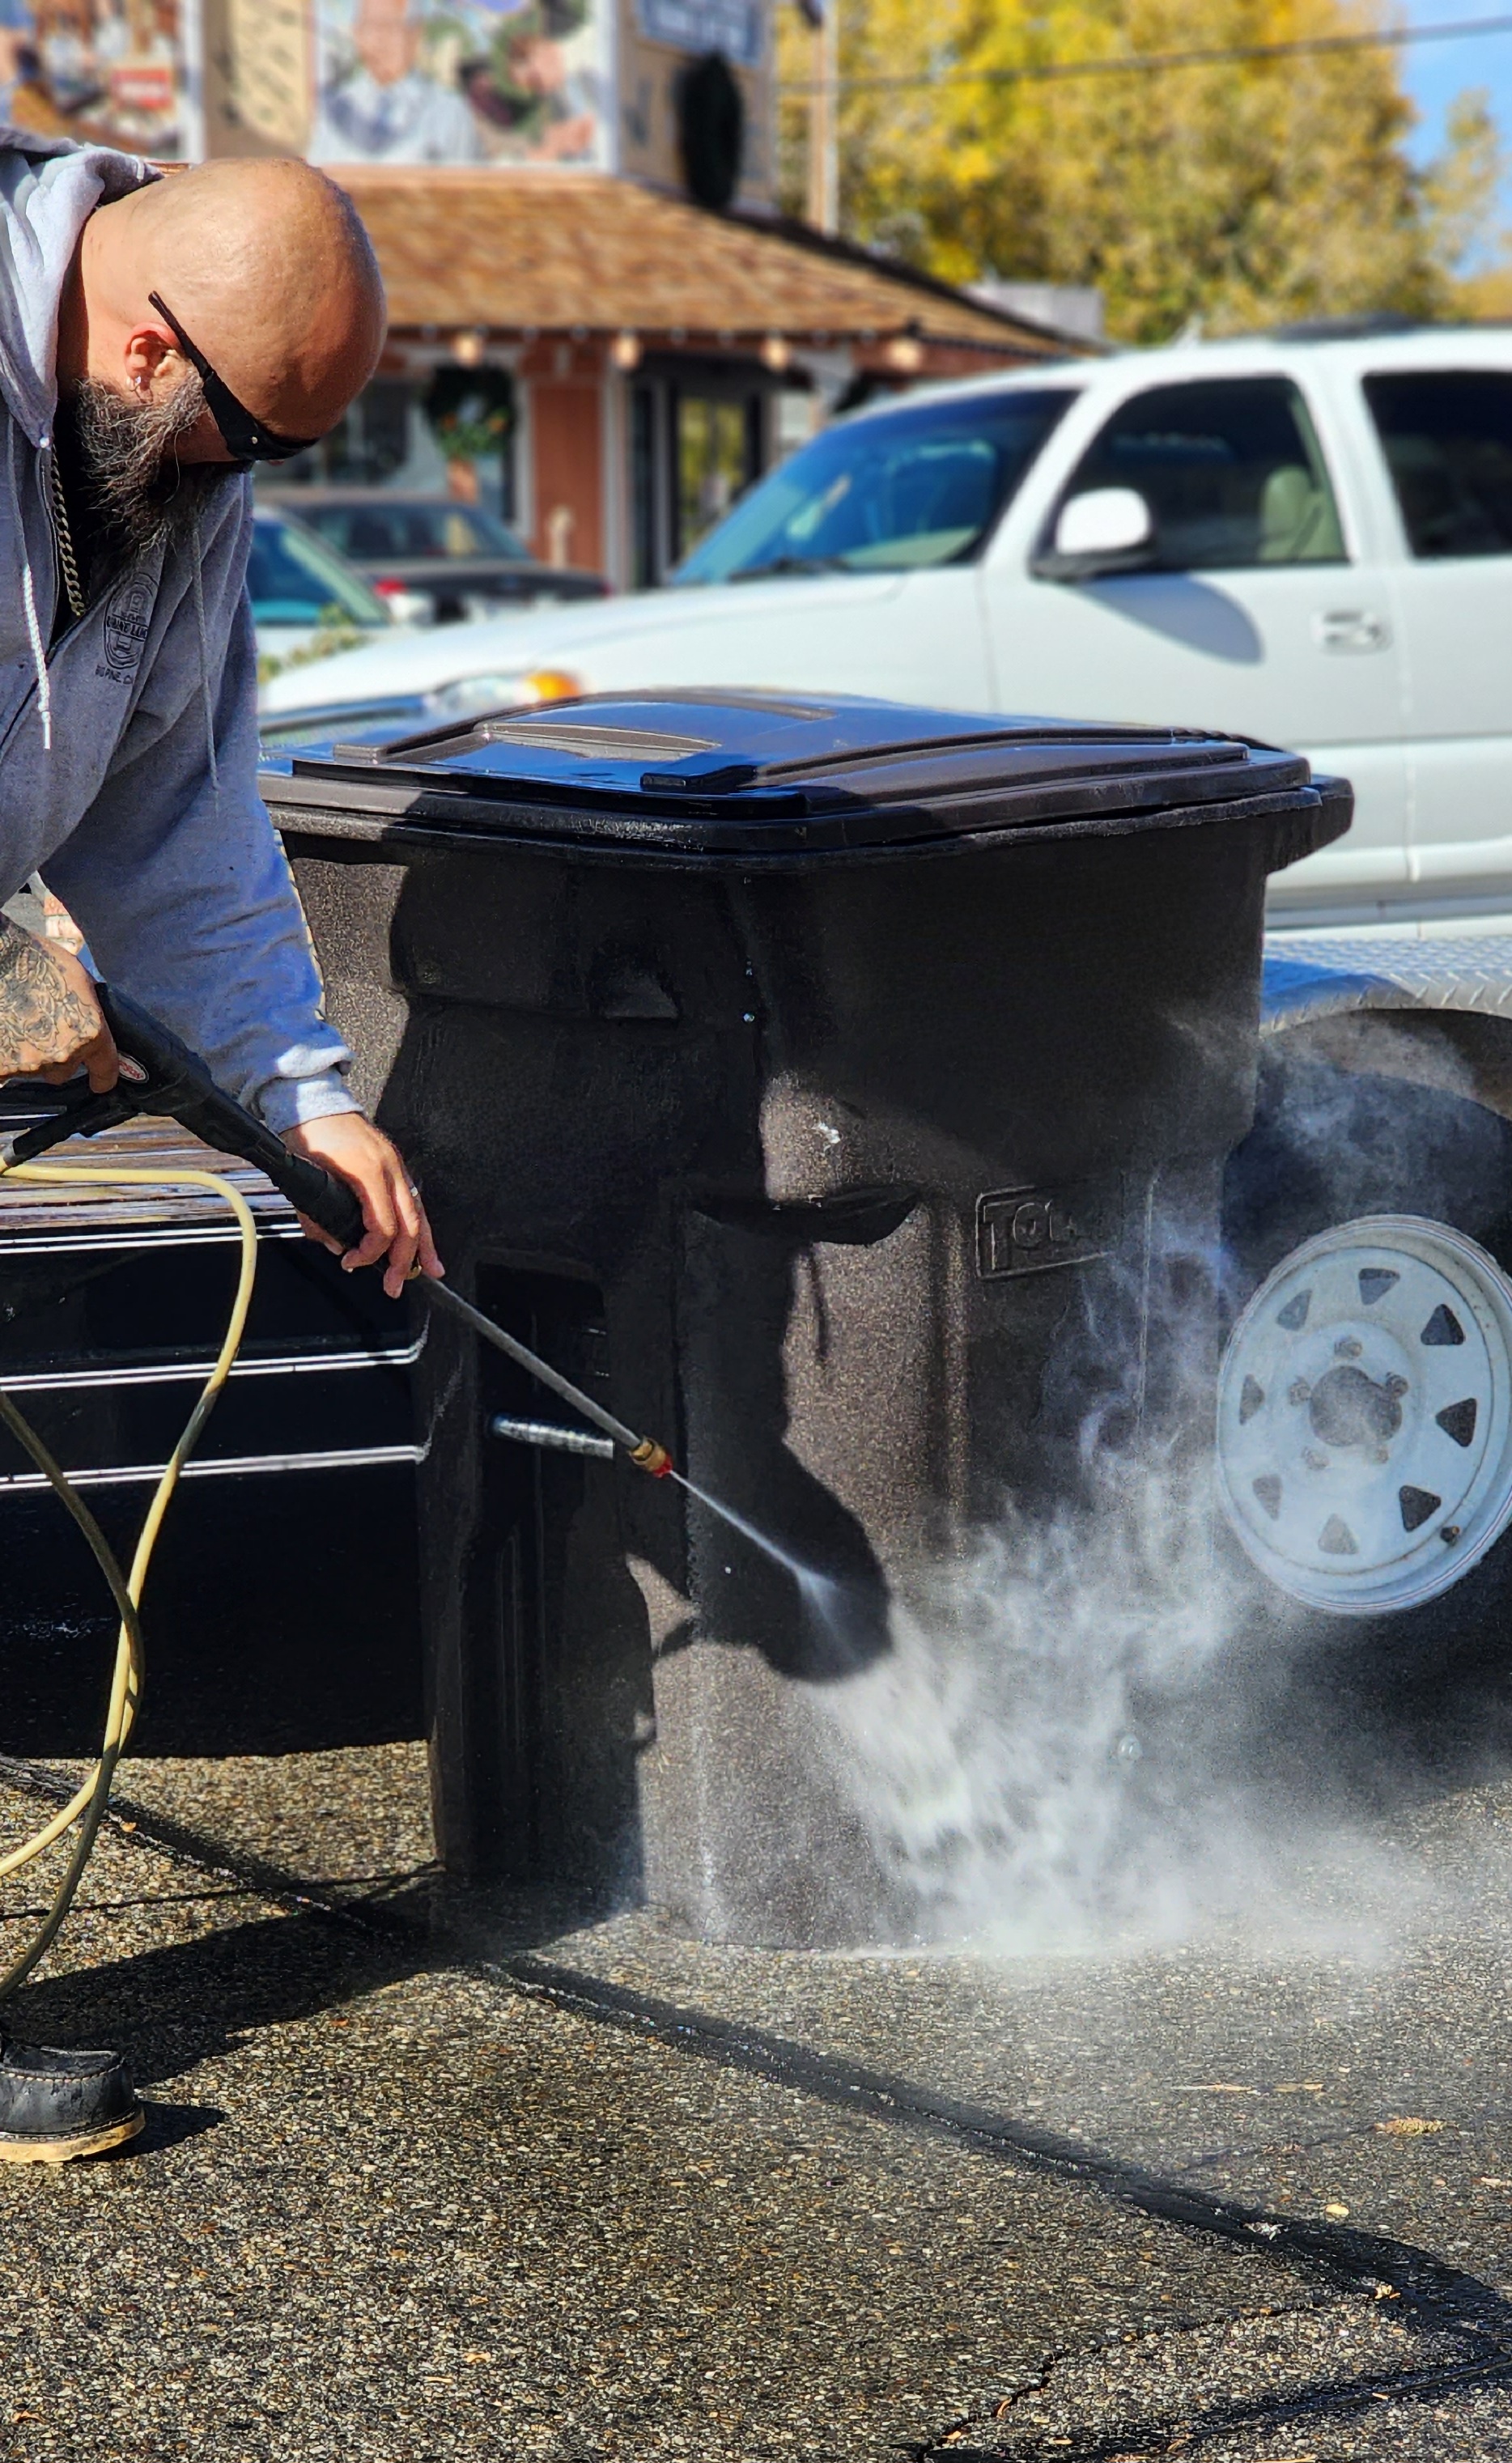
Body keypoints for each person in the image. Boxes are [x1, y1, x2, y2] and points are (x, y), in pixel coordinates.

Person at [0, 134, 442, 2164]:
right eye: (230, 439)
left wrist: (303, 1093)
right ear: (146, 335)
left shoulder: (162, 466)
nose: (227, 489)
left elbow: (172, 808)